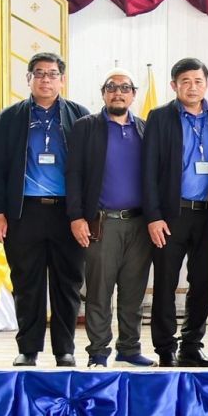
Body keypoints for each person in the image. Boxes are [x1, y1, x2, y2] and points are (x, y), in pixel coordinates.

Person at [0, 53, 89, 368]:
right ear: (28, 78)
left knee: (67, 284)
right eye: (39, 73)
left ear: (62, 79)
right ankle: (28, 349)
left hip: (67, 214)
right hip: (24, 212)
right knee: (26, 284)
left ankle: (64, 350)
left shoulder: (80, 116)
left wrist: (84, 214)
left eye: (52, 74)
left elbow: (90, 169)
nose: (46, 79)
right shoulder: (10, 117)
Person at [144, 57, 208, 368]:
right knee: (165, 283)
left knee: (203, 283)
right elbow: (148, 170)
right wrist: (153, 216)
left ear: (206, 84)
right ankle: (165, 349)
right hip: (171, 215)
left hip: (207, 215)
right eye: (185, 82)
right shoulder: (160, 117)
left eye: (198, 81)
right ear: (174, 85)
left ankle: (192, 346)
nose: (192, 87)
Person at [65, 69, 156, 368]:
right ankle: (98, 352)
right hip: (102, 224)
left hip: (139, 224)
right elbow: (74, 174)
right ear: (103, 93)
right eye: (112, 87)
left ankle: (129, 348)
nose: (118, 92)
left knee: (133, 292)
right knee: (100, 292)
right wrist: (76, 217)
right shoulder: (86, 127)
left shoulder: (145, 129)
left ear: (134, 94)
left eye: (125, 88)